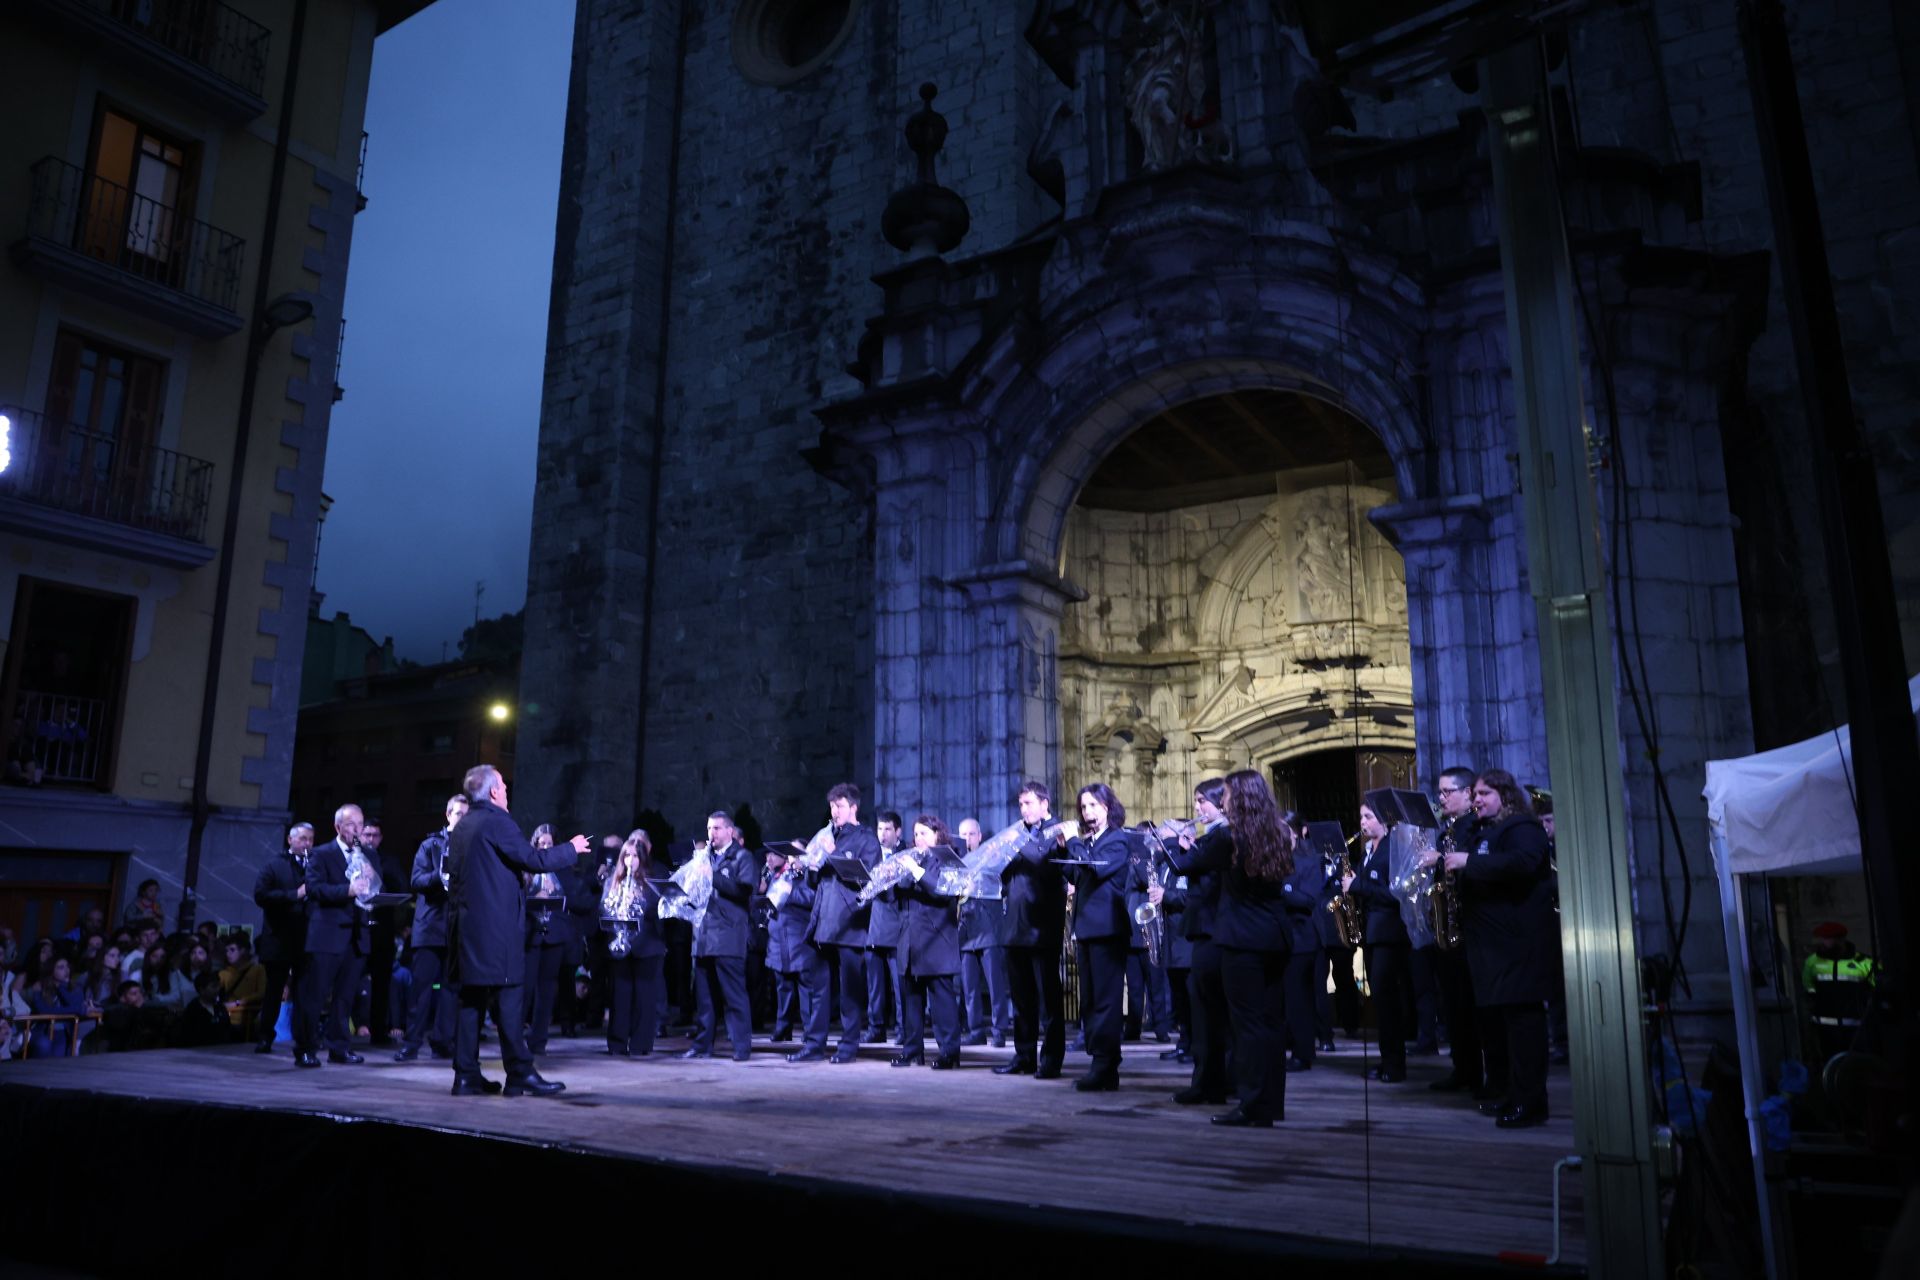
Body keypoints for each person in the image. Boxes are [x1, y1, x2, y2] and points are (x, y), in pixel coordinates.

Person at [446, 764, 587, 1097]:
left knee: (470, 1003)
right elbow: (532, 860)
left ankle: (465, 1076)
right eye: (505, 788)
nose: (507, 792)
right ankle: (520, 1073)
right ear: (494, 792)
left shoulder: (463, 825)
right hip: (496, 934)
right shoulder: (498, 822)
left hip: (465, 933)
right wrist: (571, 848)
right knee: (510, 1000)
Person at [1444, 769, 1556, 1128]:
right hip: (1493, 948)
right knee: (1505, 1029)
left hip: (1518, 946)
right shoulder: (1484, 832)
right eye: (1474, 794)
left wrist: (1469, 862)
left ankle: (1531, 1101)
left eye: (1484, 793)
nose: (1476, 800)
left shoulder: (1522, 826)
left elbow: (1525, 863)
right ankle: (1512, 1093)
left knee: (1524, 1028)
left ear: (1505, 796)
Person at [1208, 770, 1295, 1127]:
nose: (1221, 801)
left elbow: (1187, 864)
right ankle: (1272, 1103)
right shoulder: (1277, 831)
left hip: (1242, 941)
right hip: (1274, 937)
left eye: (1225, 795)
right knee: (1271, 1024)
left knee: (1247, 1026)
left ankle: (1253, 1105)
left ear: (1238, 797)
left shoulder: (1229, 838)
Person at [1421, 766, 1497, 1099]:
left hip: (1473, 927)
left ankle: (1483, 1075)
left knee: (1473, 1006)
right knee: (1453, 1005)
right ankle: (1462, 1068)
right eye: (1439, 792)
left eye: (1447, 792)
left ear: (1467, 793)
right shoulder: (1447, 829)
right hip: (1450, 926)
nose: (1441, 798)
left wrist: (1442, 858)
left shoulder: (1477, 828)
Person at [1063, 782, 1138, 1092]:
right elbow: (1075, 875)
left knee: (1106, 1002)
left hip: (1108, 929)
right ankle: (1100, 1063)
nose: (1087, 811)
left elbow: (1095, 869)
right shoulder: (1089, 842)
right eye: (1083, 807)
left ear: (1107, 807)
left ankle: (1105, 1066)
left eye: (1092, 805)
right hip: (1087, 930)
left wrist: (1073, 843)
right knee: (1090, 1000)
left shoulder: (1117, 841)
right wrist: (1062, 848)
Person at [806, 783, 882, 1063]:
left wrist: (833, 855)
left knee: (849, 992)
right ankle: (814, 1045)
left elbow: (869, 880)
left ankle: (848, 1045)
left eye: (839, 806)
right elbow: (813, 881)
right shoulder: (826, 836)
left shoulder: (866, 839)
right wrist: (812, 863)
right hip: (823, 921)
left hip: (850, 923)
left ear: (853, 808)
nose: (834, 811)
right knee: (820, 990)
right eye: (832, 806)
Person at [295, 804, 375, 1069]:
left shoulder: (366, 855)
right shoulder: (321, 854)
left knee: (345, 997)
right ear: (338, 827)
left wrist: (373, 888)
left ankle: (339, 1047)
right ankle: (305, 1048)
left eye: (360, 824)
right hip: (327, 935)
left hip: (355, 935)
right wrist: (348, 891)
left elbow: (375, 886)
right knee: (315, 996)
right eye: (351, 824)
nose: (357, 829)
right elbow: (315, 889)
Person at [1166, 779, 1230, 1105]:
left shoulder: (1221, 835)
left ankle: (1209, 1083)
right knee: (1206, 1011)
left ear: (1221, 801)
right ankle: (1211, 1081)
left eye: (1203, 801)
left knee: (1207, 1012)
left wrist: (1174, 844)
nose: (1197, 808)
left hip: (1213, 931)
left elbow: (1185, 867)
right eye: (1196, 801)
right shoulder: (1214, 837)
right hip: (1208, 930)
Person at [997, 782, 1067, 1079]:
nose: (1023, 809)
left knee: (1048, 999)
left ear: (1044, 803)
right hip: (1015, 928)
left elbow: (1041, 859)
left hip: (1042, 927)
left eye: (1028, 803)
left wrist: (1013, 841)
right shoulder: (1019, 836)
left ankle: (1050, 1060)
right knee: (1022, 999)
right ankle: (1024, 1056)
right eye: (1021, 804)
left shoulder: (1056, 831)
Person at [397, 794, 467, 1062]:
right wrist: (441, 876)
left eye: (466, 815)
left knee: (451, 990)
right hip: (430, 926)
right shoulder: (431, 845)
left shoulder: (472, 846)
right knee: (421, 989)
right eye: (459, 814)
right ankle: (412, 1042)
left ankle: (442, 1041)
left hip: (456, 927)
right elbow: (416, 880)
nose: (463, 819)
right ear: (448, 815)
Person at [1344, 798, 1409, 1083]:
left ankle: (1395, 1065)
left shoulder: (1394, 849)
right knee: (1380, 1002)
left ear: (1384, 820)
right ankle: (1386, 1061)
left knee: (1387, 1000)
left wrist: (1357, 885)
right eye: (1361, 817)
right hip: (1372, 931)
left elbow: (1396, 893)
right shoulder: (1367, 851)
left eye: (1369, 817)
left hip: (1389, 933)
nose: (1363, 823)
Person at [684, 811, 756, 1063]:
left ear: (729, 831)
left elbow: (744, 890)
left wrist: (712, 877)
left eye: (716, 828)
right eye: (708, 828)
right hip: (703, 936)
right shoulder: (705, 858)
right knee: (705, 999)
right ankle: (703, 1044)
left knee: (734, 996)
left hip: (727, 937)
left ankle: (741, 1046)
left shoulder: (742, 857)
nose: (711, 834)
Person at [893, 815, 964, 1069]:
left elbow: (941, 890)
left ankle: (949, 1053)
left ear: (937, 835)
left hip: (937, 941)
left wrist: (915, 871)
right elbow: (896, 895)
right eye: (916, 834)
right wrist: (894, 873)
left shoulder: (948, 859)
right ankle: (912, 1050)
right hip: (910, 941)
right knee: (911, 1001)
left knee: (942, 1003)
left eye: (924, 833)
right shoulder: (913, 860)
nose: (918, 838)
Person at [601, 829, 667, 1056]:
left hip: (646, 948)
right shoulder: (613, 881)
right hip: (621, 948)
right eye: (627, 856)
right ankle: (617, 1043)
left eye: (636, 856)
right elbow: (604, 907)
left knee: (644, 999)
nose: (631, 860)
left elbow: (658, 909)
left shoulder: (651, 881)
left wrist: (638, 900)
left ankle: (640, 1044)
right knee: (620, 997)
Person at [253, 822, 312, 1054]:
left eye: (310, 839)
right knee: (275, 990)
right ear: (290, 840)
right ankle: (265, 1036)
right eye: (303, 839)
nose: (307, 844)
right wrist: (294, 895)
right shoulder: (274, 865)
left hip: (305, 938)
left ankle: (303, 1038)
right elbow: (260, 895)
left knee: (304, 991)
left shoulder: (313, 865)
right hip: (279, 938)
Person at [1275, 809, 1325, 1072]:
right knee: (1281, 999)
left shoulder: (1308, 860)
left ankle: (1303, 1052)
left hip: (1301, 939)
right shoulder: (1272, 860)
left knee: (1298, 1000)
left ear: (1294, 833)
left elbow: (1308, 900)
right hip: (1278, 939)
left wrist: (1282, 889)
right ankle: (1286, 1045)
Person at [955, 817, 1010, 1048]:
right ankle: (975, 1030)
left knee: (995, 985)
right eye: (963, 835)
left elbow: (1004, 886)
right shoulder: (957, 861)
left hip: (989, 928)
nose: (967, 839)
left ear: (979, 835)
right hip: (967, 930)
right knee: (969, 985)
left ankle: (999, 1031)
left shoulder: (993, 858)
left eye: (971, 834)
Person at [522, 824, 570, 1057]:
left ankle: (538, 1040)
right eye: (541, 843)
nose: (545, 847)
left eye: (549, 844)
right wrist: (533, 893)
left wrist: (556, 894)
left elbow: (575, 897)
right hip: (531, 936)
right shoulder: (526, 869)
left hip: (554, 936)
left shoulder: (562, 868)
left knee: (547, 991)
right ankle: (515, 1037)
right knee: (525, 988)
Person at [1800, 921, 1876, 1062]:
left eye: (1827, 939)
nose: (1823, 942)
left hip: (1856, 1029)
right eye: (1822, 938)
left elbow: (1880, 987)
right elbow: (1808, 988)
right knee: (1830, 1067)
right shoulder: (1812, 962)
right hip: (1824, 1029)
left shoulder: (1864, 962)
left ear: (1840, 939)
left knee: (1856, 1066)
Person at [361, 818, 406, 1045]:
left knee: (382, 984)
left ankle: (378, 1032)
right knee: (350, 982)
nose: (371, 839)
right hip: (357, 930)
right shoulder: (353, 857)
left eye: (375, 835)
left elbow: (401, 888)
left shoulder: (389, 861)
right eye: (367, 834)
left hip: (382, 930)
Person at [866, 811, 906, 1044]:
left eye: (887, 829)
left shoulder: (905, 854)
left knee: (899, 986)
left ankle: (903, 1029)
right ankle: (876, 1028)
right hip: (873, 926)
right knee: (875, 986)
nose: (882, 834)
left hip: (897, 927)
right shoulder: (872, 855)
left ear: (898, 831)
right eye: (880, 829)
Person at [24, 957, 87, 1057]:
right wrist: (75, 1010)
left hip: (64, 1032)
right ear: (51, 970)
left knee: (58, 1056)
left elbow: (75, 1005)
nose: (66, 970)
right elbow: (43, 1011)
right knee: (43, 1044)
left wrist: (62, 987)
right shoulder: (41, 987)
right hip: (43, 1030)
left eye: (67, 966)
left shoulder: (76, 987)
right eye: (61, 967)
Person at [218, 934, 266, 1031]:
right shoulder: (223, 973)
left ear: (243, 951)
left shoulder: (257, 969)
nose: (228, 954)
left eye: (232, 950)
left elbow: (261, 993)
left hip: (247, 1018)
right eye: (226, 951)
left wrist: (238, 1003)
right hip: (226, 1017)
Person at [173, 972, 235, 1048]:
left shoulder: (220, 1007)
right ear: (202, 990)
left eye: (218, 986)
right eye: (213, 986)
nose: (218, 989)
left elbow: (226, 1029)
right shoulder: (193, 1009)